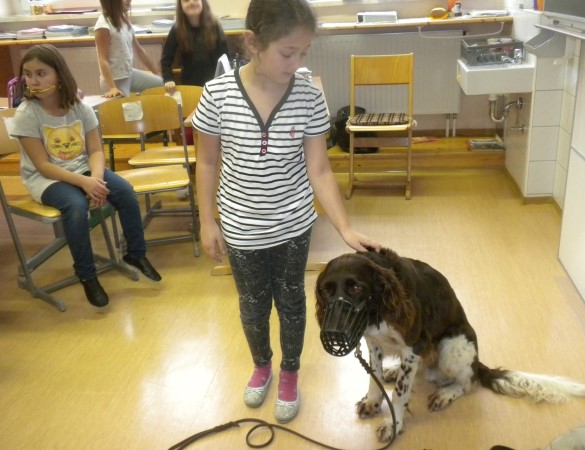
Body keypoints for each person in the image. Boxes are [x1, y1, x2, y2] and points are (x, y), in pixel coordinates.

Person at [192, 0, 380, 424]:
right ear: (253, 42)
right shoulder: (217, 94)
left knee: (292, 302)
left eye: (304, 52)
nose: (297, 63)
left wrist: (345, 227)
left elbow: (319, 169)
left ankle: (290, 372)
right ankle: (262, 366)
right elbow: (206, 162)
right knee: (253, 305)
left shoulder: (308, 94)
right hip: (241, 228)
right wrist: (207, 221)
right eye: (287, 53)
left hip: (293, 225)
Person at [11, 44, 162, 309]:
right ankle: (87, 274)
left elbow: (95, 151)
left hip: (83, 169)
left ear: (59, 75)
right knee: (76, 205)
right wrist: (86, 183)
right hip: (46, 180)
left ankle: (135, 254)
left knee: (125, 192)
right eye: (28, 74)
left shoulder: (81, 108)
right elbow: (43, 166)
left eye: (41, 73)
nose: (33, 81)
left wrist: (96, 179)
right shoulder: (26, 113)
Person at [94, 0, 163, 98]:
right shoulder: (103, 25)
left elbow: (139, 51)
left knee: (162, 84)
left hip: (129, 74)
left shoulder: (124, 20)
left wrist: (156, 72)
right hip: (115, 81)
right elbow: (102, 59)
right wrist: (112, 87)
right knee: (129, 108)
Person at [161, 0, 229, 95]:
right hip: (190, 86)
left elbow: (225, 58)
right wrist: (168, 79)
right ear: (181, 6)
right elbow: (166, 60)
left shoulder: (215, 25)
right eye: (186, 0)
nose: (191, 2)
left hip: (214, 85)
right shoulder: (177, 28)